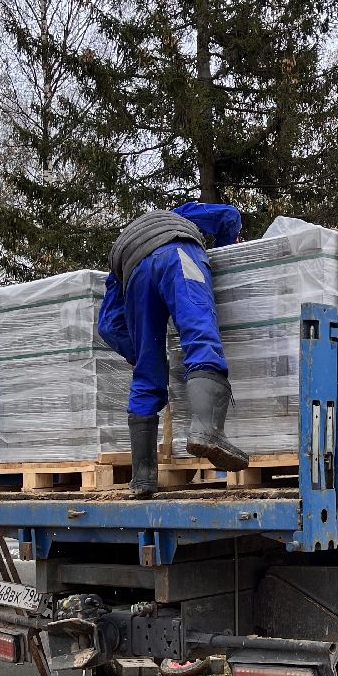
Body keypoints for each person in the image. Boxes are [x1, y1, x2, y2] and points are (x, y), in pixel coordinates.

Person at [98, 202, 248, 498]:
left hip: (134, 275)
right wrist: (227, 253)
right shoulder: (179, 215)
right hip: (178, 255)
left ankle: (142, 477)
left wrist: (136, 355)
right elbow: (229, 216)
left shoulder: (120, 252)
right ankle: (207, 430)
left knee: (145, 375)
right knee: (199, 336)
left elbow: (108, 324)